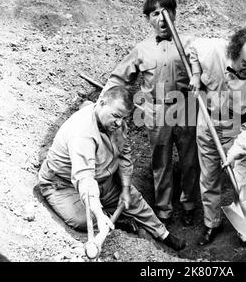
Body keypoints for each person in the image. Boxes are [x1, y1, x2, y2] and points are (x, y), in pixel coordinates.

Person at [38, 86, 186, 251]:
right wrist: (100, 216)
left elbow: (124, 155)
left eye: (123, 118)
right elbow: (85, 180)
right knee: (82, 219)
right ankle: (114, 221)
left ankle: (163, 234)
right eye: (116, 115)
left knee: (134, 199)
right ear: (101, 103)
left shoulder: (116, 123)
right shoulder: (82, 134)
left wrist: (125, 189)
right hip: (64, 185)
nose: (119, 122)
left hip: (103, 179)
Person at [99, 0, 200, 227]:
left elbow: (209, 69)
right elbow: (119, 77)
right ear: (148, 19)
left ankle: (188, 205)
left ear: (175, 14)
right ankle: (163, 210)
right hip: (156, 112)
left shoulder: (190, 44)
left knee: (189, 160)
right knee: (160, 162)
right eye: (156, 14)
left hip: (186, 108)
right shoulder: (141, 49)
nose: (162, 18)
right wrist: (104, 100)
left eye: (167, 12)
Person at [189, 27, 246, 251]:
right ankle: (211, 223)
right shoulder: (214, 50)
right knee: (209, 177)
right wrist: (196, 75)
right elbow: (192, 48)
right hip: (207, 122)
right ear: (234, 52)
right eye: (245, 63)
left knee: (242, 181)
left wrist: (236, 151)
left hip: (238, 129)